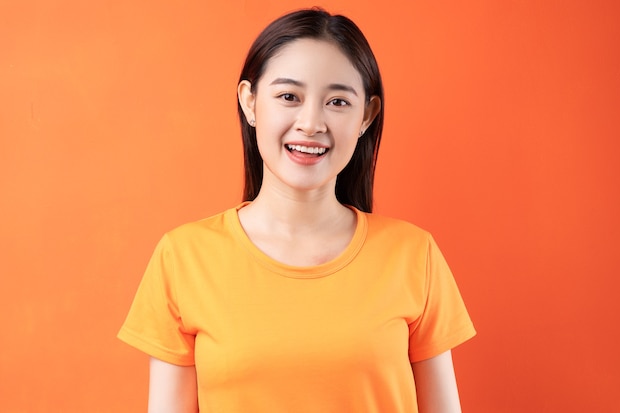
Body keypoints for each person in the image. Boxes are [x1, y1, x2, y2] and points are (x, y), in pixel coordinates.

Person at [118, 8, 476, 413]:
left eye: (338, 101)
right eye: (289, 96)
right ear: (250, 102)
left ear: (366, 116)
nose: (310, 123)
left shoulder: (414, 255)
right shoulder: (182, 257)